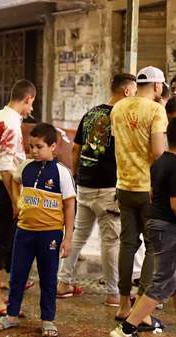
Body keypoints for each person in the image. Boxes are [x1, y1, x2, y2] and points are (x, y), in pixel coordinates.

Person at [57, 74, 137, 306]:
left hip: (85, 185)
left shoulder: (91, 113)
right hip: (109, 187)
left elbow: (76, 148)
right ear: (126, 91)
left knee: (78, 236)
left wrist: (76, 175)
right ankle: (113, 293)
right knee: (110, 241)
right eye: (134, 91)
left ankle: (63, 283)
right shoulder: (122, 116)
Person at [0, 123, 76, 337]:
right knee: (17, 275)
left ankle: (48, 320)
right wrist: (16, 202)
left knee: (48, 277)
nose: (34, 151)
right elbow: (15, 181)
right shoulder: (25, 167)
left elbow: (69, 205)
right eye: (31, 147)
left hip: (50, 234)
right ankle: (11, 315)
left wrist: (68, 238)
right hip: (24, 231)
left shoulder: (62, 173)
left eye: (39, 147)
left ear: (53, 147)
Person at [110, 118, 176, 337]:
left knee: (170, 280)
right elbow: (175, 205)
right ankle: (126, 329)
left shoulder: (160, 161)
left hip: (157, 223)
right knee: (162, 284)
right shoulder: (175, 165)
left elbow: (152, 194)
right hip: (168, 227)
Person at [110, 66, 168, 329]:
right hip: (149, 189)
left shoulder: (118, 108)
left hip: (124, 186)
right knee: (153, 247)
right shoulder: (156, 110)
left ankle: (123, 305)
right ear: (156, 86)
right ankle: (142, 311)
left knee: (127, 244)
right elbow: (158, 152)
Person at [0, 79, 36, 315]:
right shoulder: (12, 124)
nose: (30, 109)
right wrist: (15, 200)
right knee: (2, 241)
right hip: (2, 186)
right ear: (27, 99)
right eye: (31, 104)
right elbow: (6, 167)